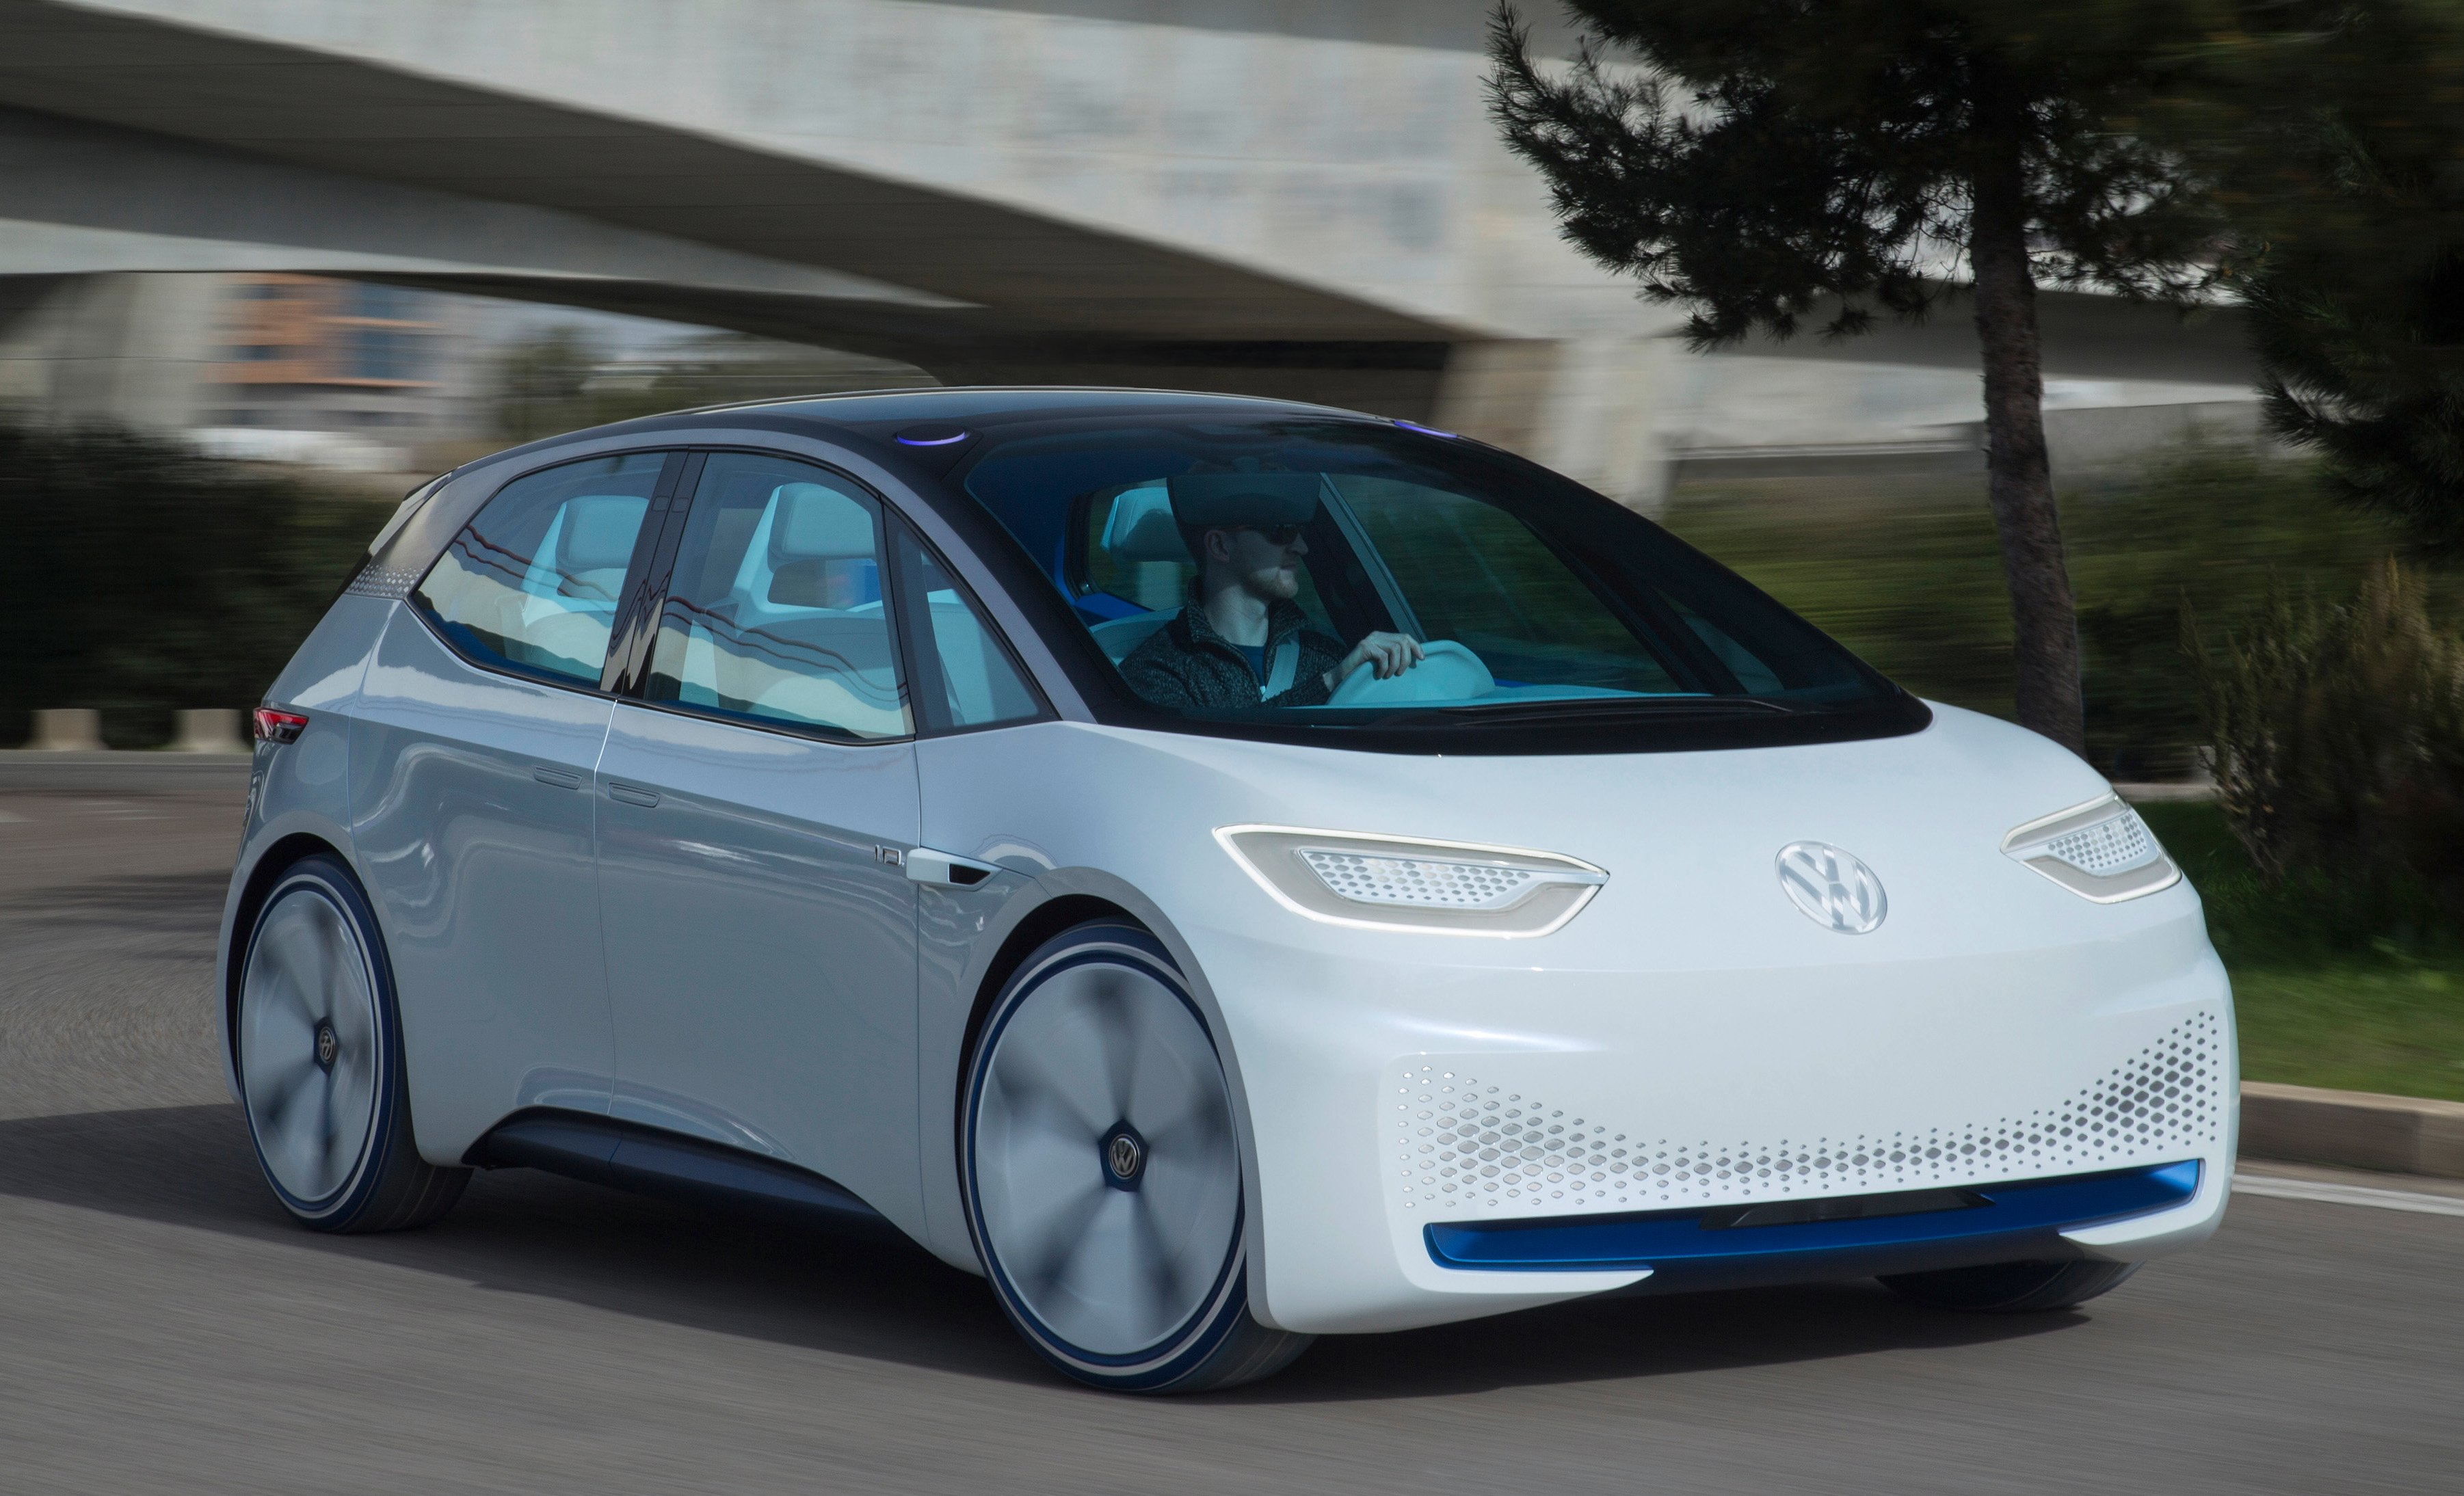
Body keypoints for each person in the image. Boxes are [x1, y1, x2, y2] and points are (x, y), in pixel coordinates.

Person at [1120, 472, 1423, 709]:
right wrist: (1331, 683)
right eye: (1280, 530)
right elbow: (1223, 757)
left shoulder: (1325, 656)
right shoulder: (1158, 671)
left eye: (1299, 530)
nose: (1302, 547)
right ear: (1221, 545)